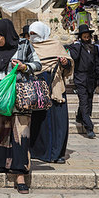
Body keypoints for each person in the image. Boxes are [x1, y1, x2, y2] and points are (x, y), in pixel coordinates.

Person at [0, 19, 41, 194]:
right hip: (0, 97)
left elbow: (38, 64)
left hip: (20, 95)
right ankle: (3, 164)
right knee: (0, 133)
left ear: (7, 34)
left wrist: (24, 66)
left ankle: (20, 176)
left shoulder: (24, 45)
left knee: (20, 134)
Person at [29, 21, 74, 164]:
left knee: (57, 121)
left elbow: (68, 65)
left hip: (54, 87)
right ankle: (39, 152)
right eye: (30, 34)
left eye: (35, 34)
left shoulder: (55, 45)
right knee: (39, 121)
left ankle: (57, 153)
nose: (33, 37)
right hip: (36, 88)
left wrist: (65, 63)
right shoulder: (28, 47)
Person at [68, 24, 99, 138]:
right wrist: (77, 45)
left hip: (91, 79)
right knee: (84, 101)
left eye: (88, 36)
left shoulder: (94, 48)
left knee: (88, 100)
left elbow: (97, 64)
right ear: (81, 37)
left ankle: (79, 116)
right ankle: (89, 127)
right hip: (80, 78)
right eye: (84, 36)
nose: (87, 38)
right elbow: (74, 57)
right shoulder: (76, 47)